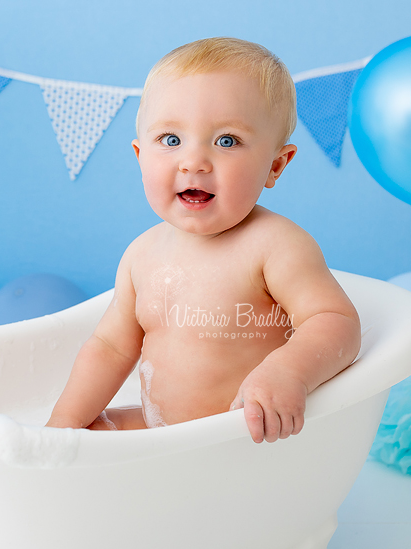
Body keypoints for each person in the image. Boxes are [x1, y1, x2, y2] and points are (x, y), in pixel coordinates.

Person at [45, 37, 361, 443]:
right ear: (141, 156)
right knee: (89, 432)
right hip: (161, 432)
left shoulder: (274, 245)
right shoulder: (141, 255)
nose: (193, 161)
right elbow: (110, 348)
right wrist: (61, 428)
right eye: (171, 140)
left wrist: (287, 371)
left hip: (243, 438)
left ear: (276, 165)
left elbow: (336, 322)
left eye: (227, 141)